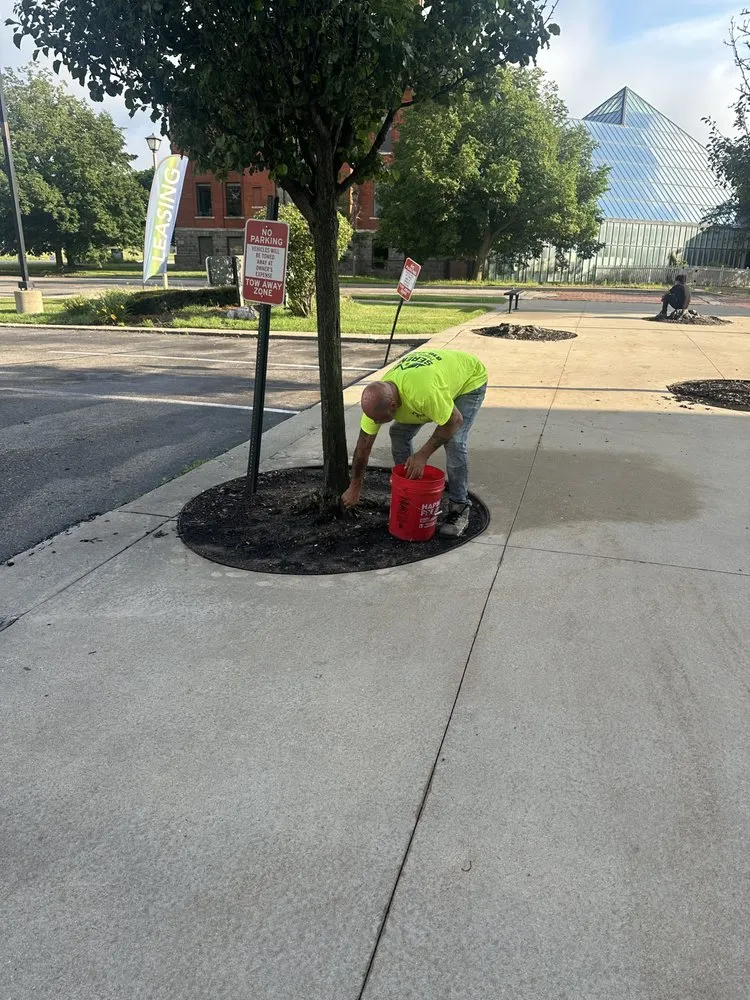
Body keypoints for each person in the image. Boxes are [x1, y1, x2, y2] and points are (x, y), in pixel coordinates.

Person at [341, 349, 488, 538]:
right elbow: (363, 446)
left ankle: (459, 508)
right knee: (398, 433)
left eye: (379, 419)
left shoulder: (422, 393)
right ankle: (409, 494)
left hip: (469, 380)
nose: (376, 423)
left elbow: (454, 420)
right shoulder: (377, 401)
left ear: (393, 406)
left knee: (454, 441)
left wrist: (422, 455)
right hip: (434, 381)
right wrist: (355, 487)